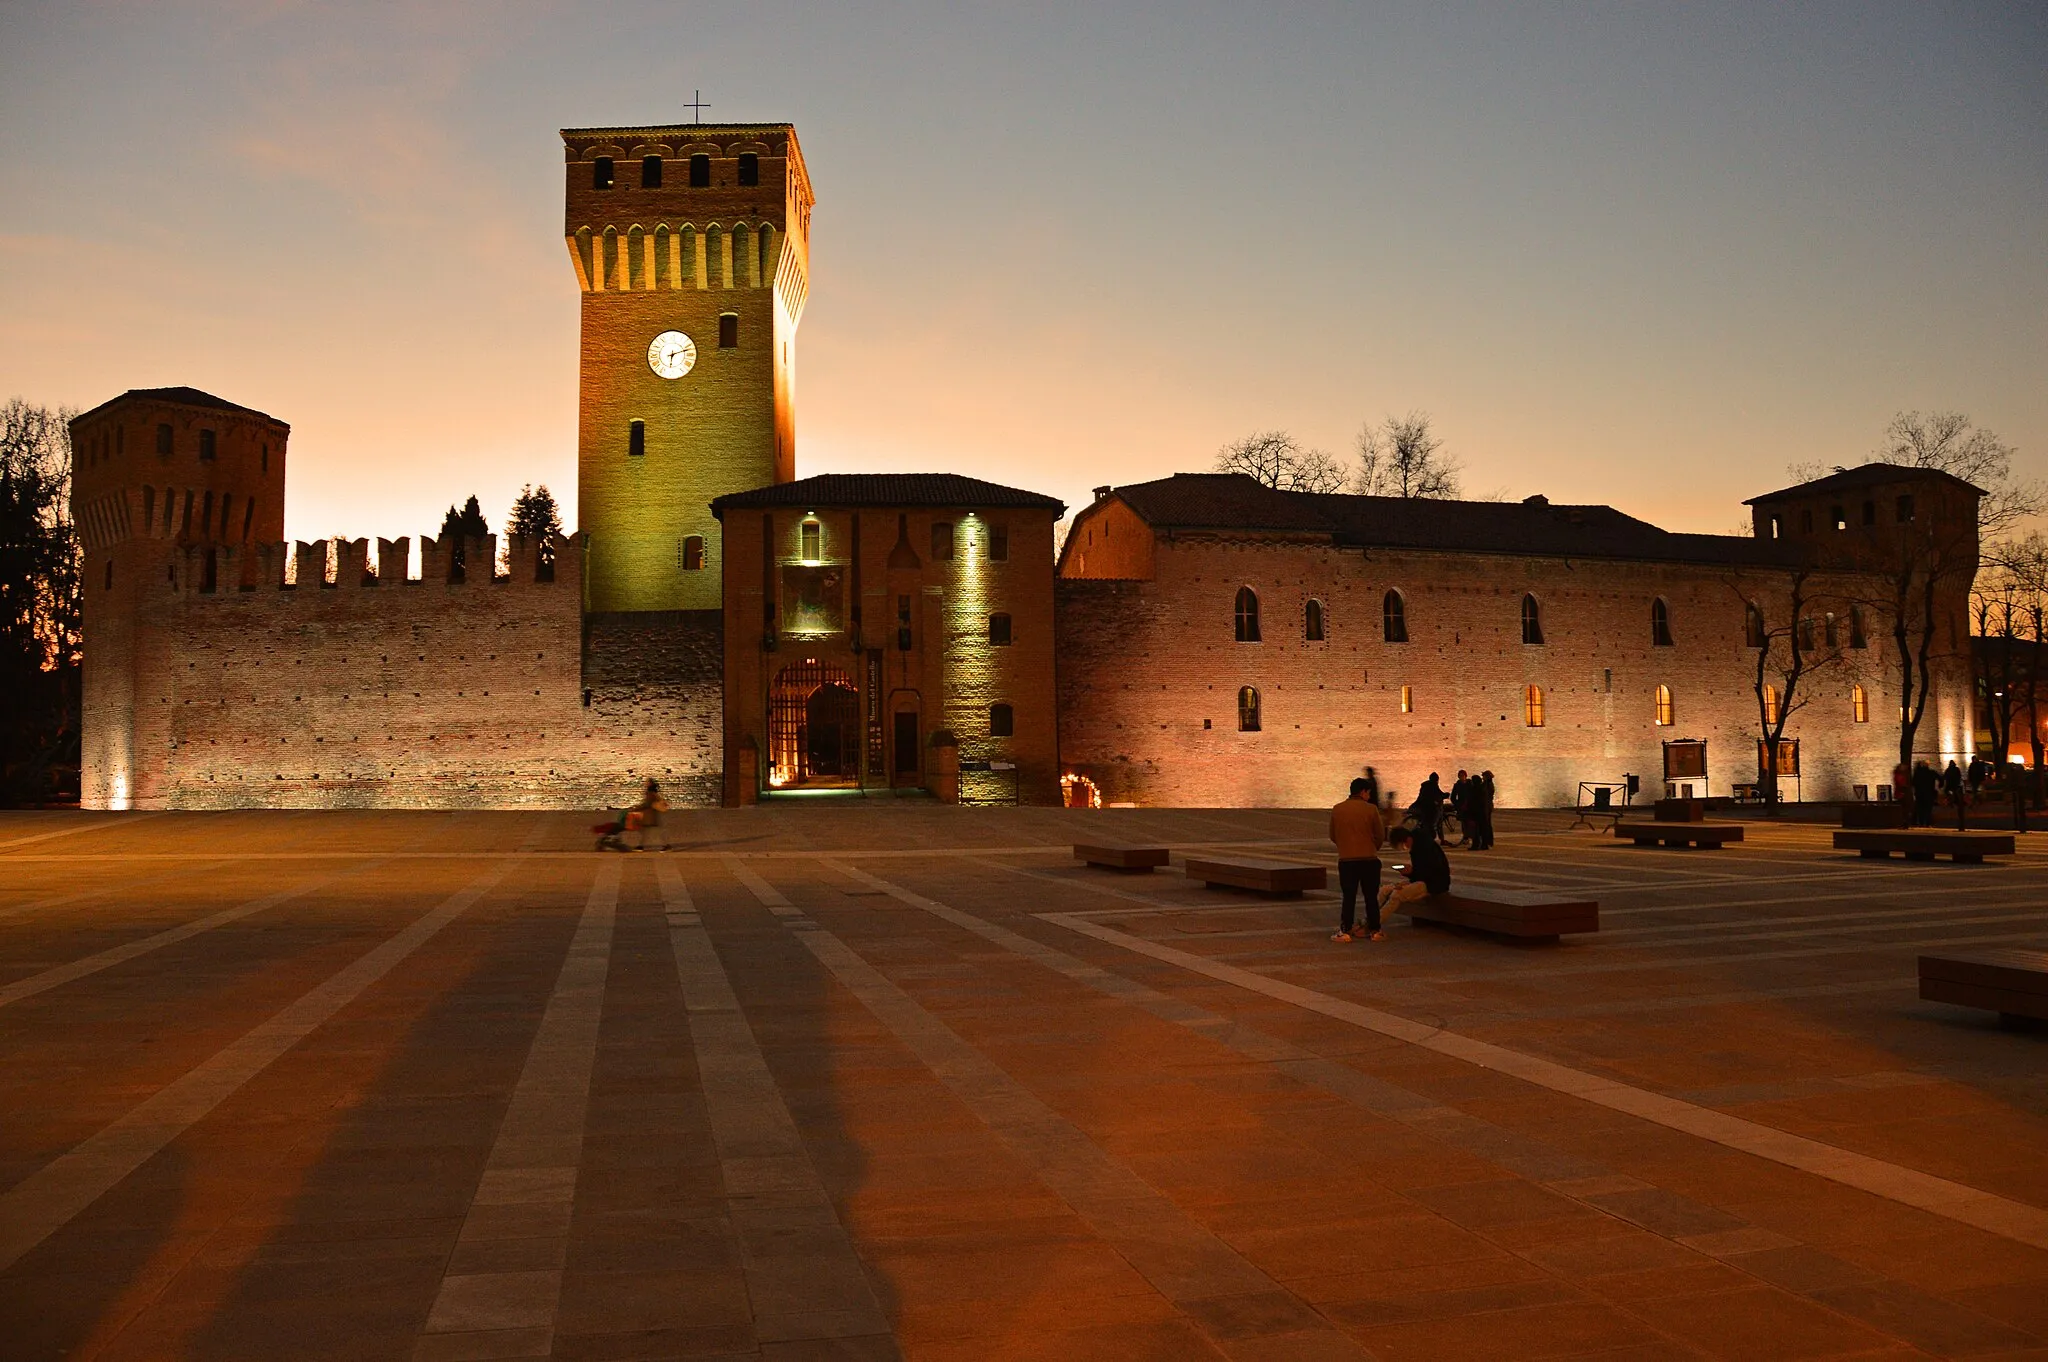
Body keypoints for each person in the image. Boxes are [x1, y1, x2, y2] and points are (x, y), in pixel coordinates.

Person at [1328, 777, 1387, 942]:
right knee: (1371, 897)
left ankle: (1345, 930)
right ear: (1363, 792)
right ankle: (1375, 930)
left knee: (1349, 897)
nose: (1369, 796)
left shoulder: (1337, 809)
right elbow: (1380, 835)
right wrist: (1372, 847)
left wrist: (1345, 846)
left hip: (1347, 860)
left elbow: (1333, 835)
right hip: (1369, 859)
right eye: (1368, 793)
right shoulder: (1371, 809)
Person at [1379, 824, 1450, 921]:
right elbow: (1420, 873)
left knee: (1397, 894)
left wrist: (1411, 873)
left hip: (1434, 884)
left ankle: (1374, 924)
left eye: (1403, 846)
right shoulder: (1417, 846)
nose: (1405, 848)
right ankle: (1370, 918)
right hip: (1423, 880)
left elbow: (1430, 873)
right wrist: (1410, 874)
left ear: (1407, 839)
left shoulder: (1425, 847)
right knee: (1384, 890)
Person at [624, 777, 668, 850]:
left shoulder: (650, 793)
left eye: (647, 782)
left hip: (650, 816)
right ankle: (641, 846)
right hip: (651, 815)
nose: (645, 783)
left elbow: (647, 804)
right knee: (647, 831)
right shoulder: (654, 792)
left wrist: (635, 808)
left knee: (653, 831)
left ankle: (665, 845)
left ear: (650, 784)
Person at [1409, 772, 1445, 844]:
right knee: (1432, 822)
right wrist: (1446, 795)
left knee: (1427, 822)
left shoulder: (1425, 785)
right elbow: (1438, 794)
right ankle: (1431, 838)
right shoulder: (1433, 785)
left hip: (1420, 805)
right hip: (1428, 807)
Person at [1473, 770, 1497, 850]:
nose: (1483, 778)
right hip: (1488, 806)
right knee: (1487, 825)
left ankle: (1486, 842)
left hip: (1485, 807)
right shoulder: (1490, 784)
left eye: (1484, 776)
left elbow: (1484, 796)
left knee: (1485, 825)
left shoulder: (1486, 785)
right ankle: (1489, 841)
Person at [1911, 761, 1938, 827]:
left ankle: (1921, 822)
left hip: (1919, 794)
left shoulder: (1917, 773)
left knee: (1921, 808)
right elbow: (1941, 779)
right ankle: (1928, 823)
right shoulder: (1932, 772)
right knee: (1928, 808)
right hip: (1929, 793)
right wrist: (1939, 786)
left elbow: (1913, 783)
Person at [1942, 760, 1965, 831]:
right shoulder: (1956, 769)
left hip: (1950, 786)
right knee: (1956, 797)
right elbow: (1959, 776)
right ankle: (1954, 802)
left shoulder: (1948, 770)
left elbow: (1945, 777)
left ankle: (1951, 802)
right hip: (1956, 786)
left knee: (1949, 794)